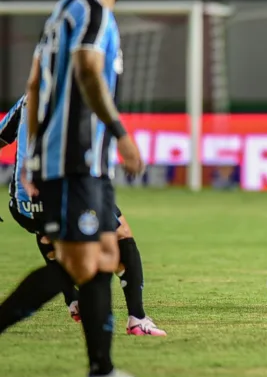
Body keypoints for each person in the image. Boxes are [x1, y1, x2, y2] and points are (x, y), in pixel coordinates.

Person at [0, 0, 161, 377]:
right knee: (79, 263)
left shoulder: (60, 15)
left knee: (107, 254)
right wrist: (120, 133)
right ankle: (101, 371)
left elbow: (32, 85)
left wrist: (29, 158)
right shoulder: (91, 10)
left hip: (80, 161)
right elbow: (89, 69)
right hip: (76, 158)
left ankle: (102, 372)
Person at [0, 94, 166, 336]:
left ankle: (74, 300)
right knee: (116, 240)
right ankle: (136, 318)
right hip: (64, 192)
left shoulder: (29, 96)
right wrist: (121, 140)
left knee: (52, 238)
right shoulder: (76, 92)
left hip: (23, 203)